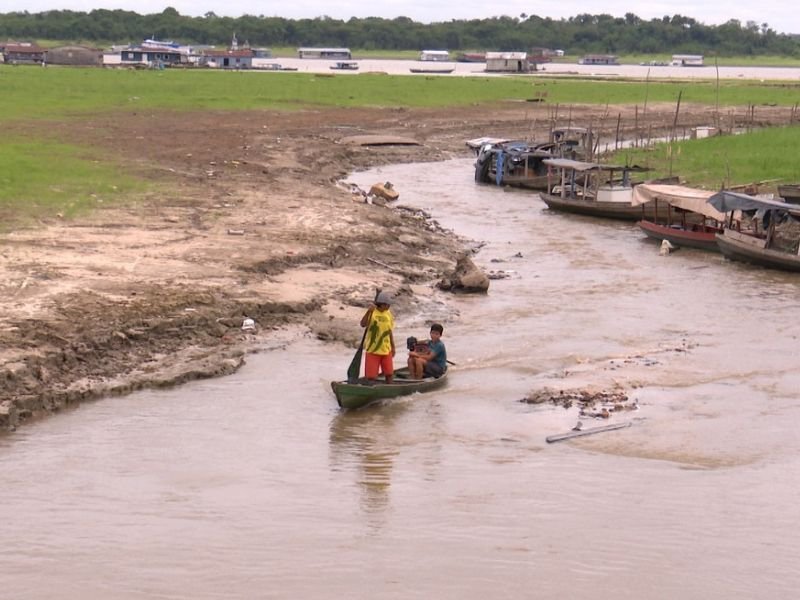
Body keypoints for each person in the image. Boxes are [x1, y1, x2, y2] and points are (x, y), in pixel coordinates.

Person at [359, 291, 396, 383]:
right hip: (373, 350)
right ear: (382, 305)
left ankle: (390, 393)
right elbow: (362, 324)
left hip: (386, 349)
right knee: (371, 377)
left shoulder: (388, 314)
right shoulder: (373, 312)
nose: (389, 307)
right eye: (388, 305)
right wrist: (368, 311)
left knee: (389, 374)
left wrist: (393, 346)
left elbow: (389, 331)